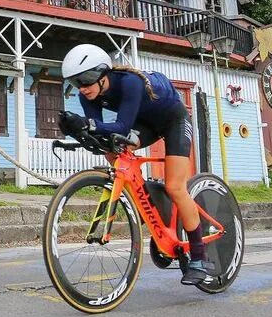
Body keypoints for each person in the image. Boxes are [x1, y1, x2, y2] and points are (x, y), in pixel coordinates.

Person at [58, 43, 215, 286]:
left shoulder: (129, 82)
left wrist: (87, 124)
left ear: (103, 73)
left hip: (173, 119)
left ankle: (198, 257)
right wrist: (77, 131)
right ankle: (152, 206)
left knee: (175, 187)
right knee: (113, 147)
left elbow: (120, 126)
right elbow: (101, 133)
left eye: (87, 79)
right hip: (144, 124)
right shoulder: (86, 95)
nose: (83, 87)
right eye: (76, 82)